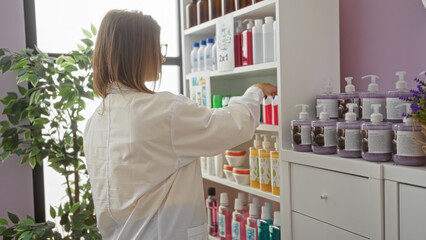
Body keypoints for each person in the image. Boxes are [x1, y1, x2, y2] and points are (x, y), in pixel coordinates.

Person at [83, 9, 277, 240]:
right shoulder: (163, 111)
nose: (162, 57)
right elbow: (233, 125)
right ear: (136, 53)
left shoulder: (95, 121)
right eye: (156, 48)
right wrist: (255, 92)